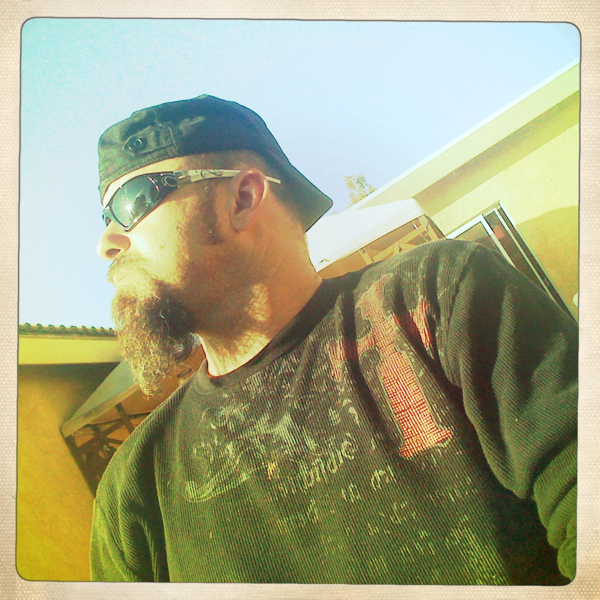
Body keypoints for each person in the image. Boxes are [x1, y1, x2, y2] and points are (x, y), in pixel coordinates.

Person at [90, 94, 577, 585]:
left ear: (243, 198)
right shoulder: (136, 488)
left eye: (131, 202)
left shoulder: (438, 297)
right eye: (103, 217)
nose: (106, 243)